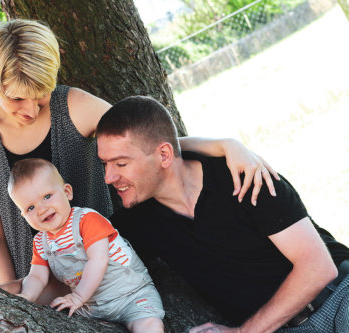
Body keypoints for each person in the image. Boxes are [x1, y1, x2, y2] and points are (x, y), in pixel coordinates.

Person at [0, 18, 278, 288]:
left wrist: (226, 145)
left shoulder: (73, 107)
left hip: (106, 270)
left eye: (40, 96)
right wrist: (12, 301)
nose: (29, 110)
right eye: (15, 99)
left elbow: (149, 144)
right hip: (36, 282)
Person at [96, 96, 349, 333]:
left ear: (164, 155)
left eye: (120, 164)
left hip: (338, 296)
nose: (109, 177)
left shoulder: (243, 176)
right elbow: (75, 255)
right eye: (105, 164)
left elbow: (318, 269)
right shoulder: (139, 222)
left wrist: (243, 332)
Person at [7, 158, 165, 332]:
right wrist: (28, 296)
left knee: (148, 325)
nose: (41, 209)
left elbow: (98, 260)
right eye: (30, 208)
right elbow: (37, 276)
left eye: (47, 196)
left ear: (67, 192)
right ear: (23, 216)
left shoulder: (86, 220)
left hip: (131, 295)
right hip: (92, 308)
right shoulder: (40, 243)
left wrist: (77, 297)